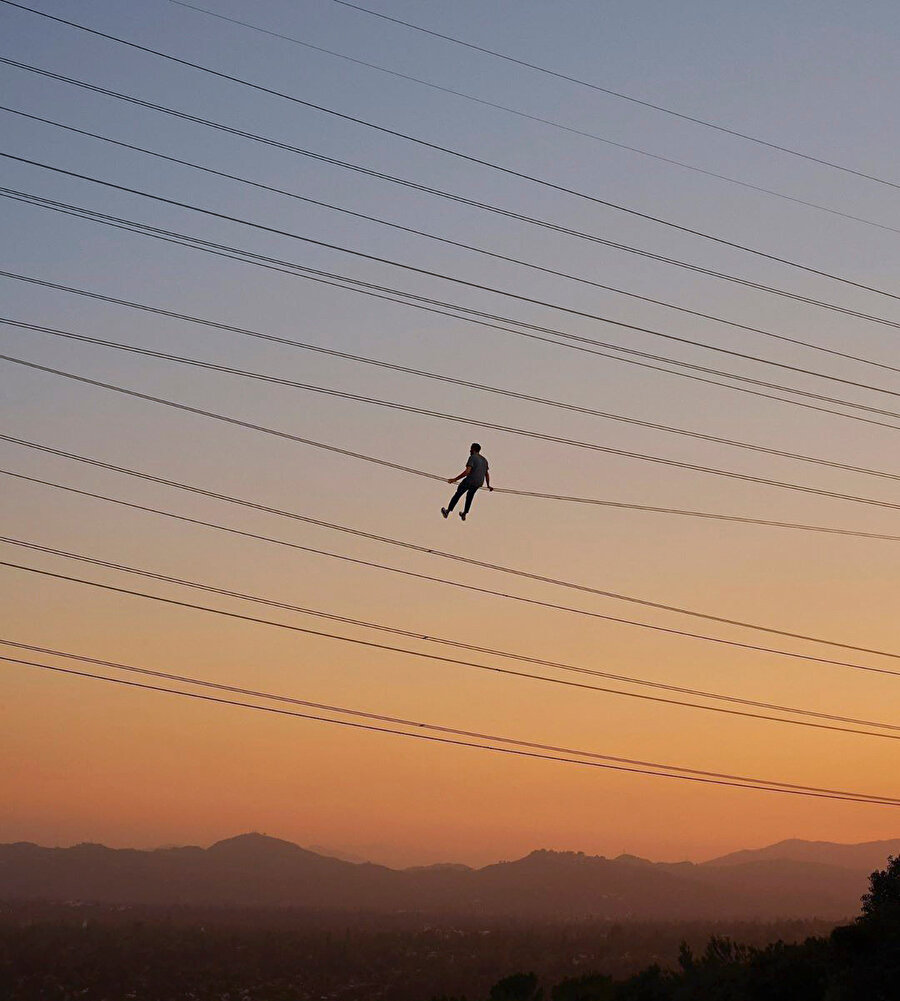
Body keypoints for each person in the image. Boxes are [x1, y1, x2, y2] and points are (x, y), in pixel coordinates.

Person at [442, 443, 492, 522]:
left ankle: (447, 511)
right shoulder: (484, 460)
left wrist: (454, 479)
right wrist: (488, 485)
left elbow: (467, 472)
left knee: (458, 494)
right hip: (478, 483)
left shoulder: (472, 457)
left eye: (471, 449)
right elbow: (486, 474)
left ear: (473, 449)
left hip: (470, 480)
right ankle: (464, 513)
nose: (470, 450)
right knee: (470, 496)